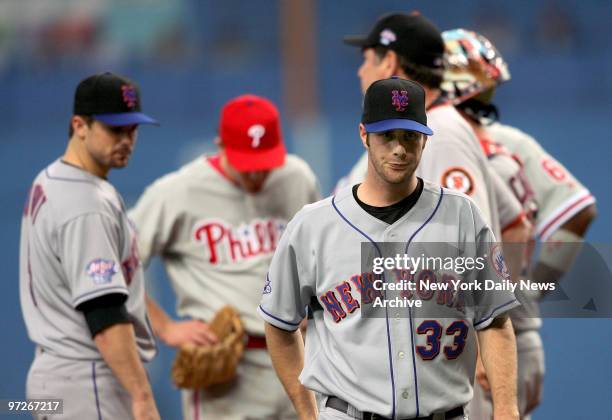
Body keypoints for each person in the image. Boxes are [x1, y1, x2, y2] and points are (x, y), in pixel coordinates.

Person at [260, 77, 520, 420]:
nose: (399, 148)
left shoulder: (462, 215)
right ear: (364, 135)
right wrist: (308, 413)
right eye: (387, 136)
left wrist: (506, 409)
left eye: (410, 136)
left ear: (425, 141)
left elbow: (496, 321)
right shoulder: (314, 226)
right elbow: (279, 324)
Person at [128, 94, 320, 420]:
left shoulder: (296, 178)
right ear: (220, 144)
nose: (258, 175)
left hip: (296, 358)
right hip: (229, 372)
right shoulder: (178, 191)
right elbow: (116, 263)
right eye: (248, 164)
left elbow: (318, 256)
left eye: (265, 164)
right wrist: (165, 327)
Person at [441, 28, 597, 419]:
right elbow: (579, 211)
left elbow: (578, 210)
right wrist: (529, 288)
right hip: (513, 330)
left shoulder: (424, 145)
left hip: (469, 334)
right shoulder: (508, 141)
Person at [20, 72, 160, 420]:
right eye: (115, 129)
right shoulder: (85, 203)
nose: (127, 139)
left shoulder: (53, 177)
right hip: (89, 380)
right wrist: (142, 395)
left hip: (60, 375)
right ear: (80, 125)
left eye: (133, 129)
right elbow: (104, 310)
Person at [338, 12, 532, 256]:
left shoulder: (441, 136)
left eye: (366, 60)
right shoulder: (425, 130)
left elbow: (467, 248)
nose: (361, 72)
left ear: (388, 61)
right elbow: (515, 225)